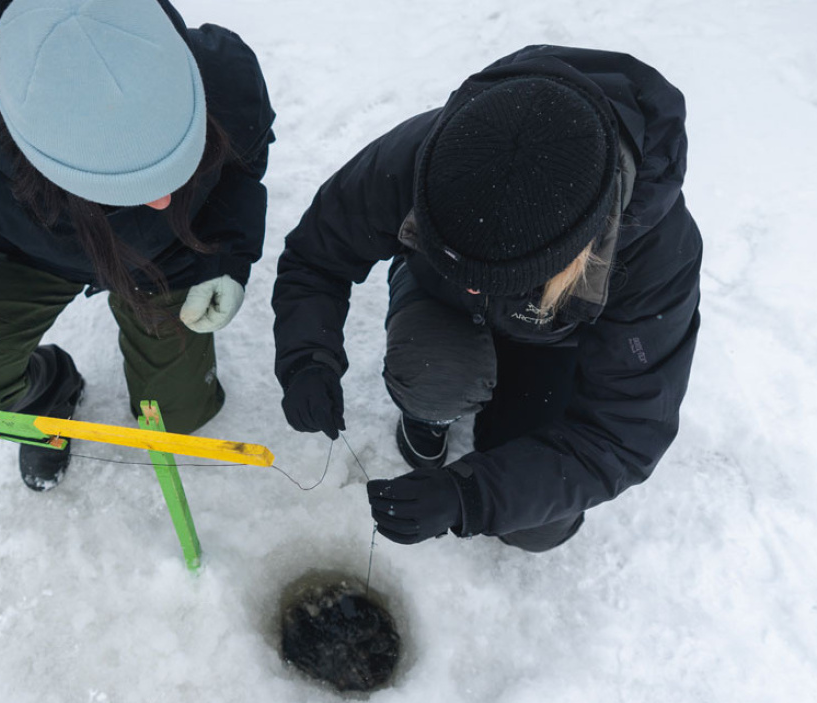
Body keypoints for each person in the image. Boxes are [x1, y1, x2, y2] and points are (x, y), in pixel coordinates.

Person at [272, 45, 701, 551]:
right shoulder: (428, 153)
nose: (474, 285)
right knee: (434, 377)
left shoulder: (655, 253)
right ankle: (429, 414)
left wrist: (469, 496)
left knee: (537, 525)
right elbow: (319, 253)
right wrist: (307, 358)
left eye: (502, 276)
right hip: (439, 305)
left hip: (553, 348)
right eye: (451, 256)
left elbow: (620, 435)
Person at [0, 0, 275, 491]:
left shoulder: (222, 71)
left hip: (166, 256)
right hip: (29, 255)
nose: (165, 197)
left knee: (178, 419)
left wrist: (227, 254)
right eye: (125, 180)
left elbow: (243, 162)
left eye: (178, 156)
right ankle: (51, 387)